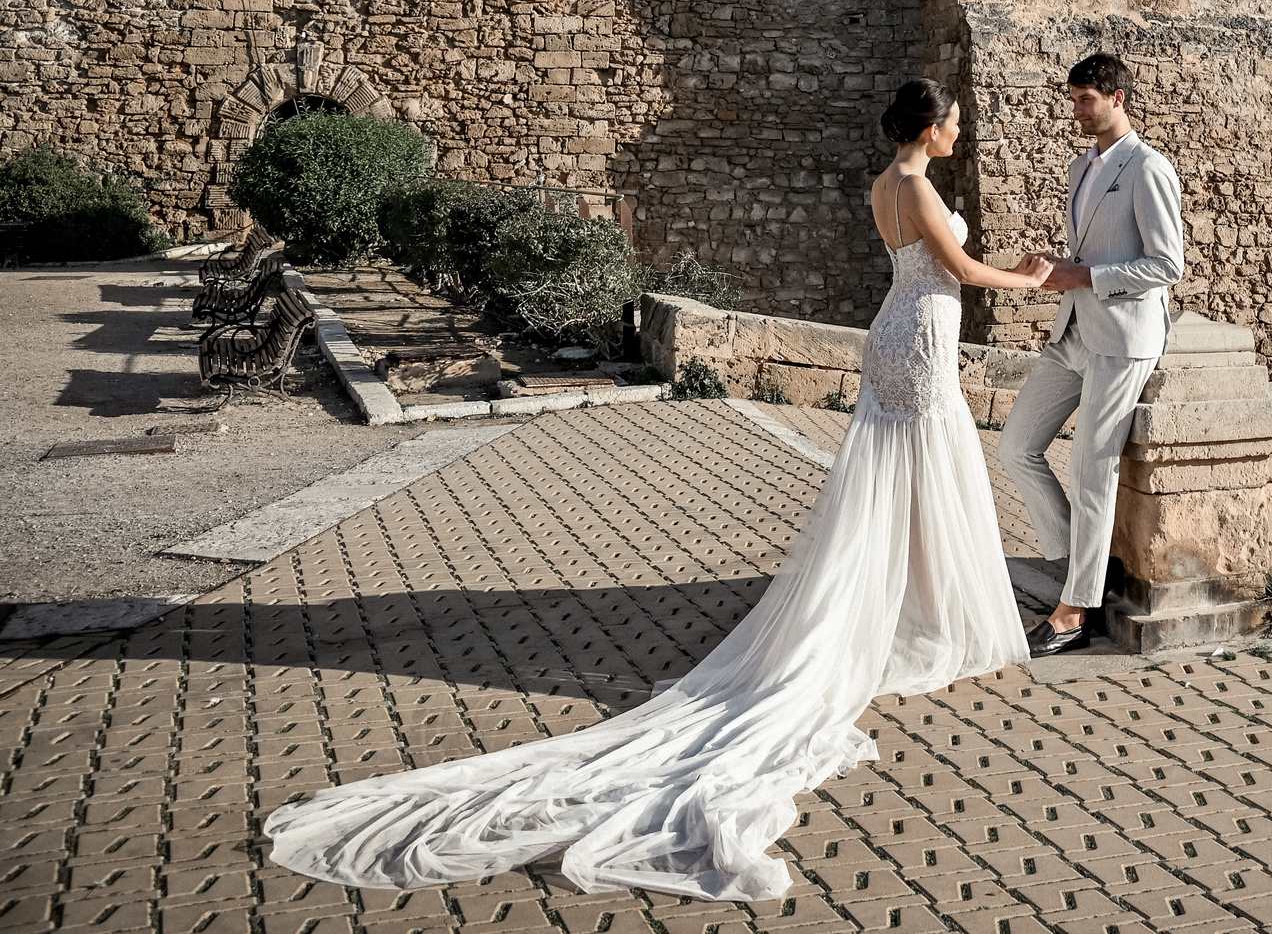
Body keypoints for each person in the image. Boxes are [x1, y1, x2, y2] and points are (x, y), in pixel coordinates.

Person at [263, 79, 1055, 902]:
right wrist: (1031, 278)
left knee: (899, 478)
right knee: (928, 471)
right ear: (929, 127)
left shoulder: (883, 184)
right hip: (921, 334)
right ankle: (933, 612)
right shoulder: (918, 186)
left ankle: (912, 606)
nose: (959, 132)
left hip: (893, 332)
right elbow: (961, 268)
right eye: (953, 122)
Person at [998, 54, 1186, 658]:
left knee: (1090, 469)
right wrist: (1057, 267)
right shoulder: (1082, 167)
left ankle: (1075, 610)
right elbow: (1091, 251)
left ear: (1117, 98)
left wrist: (1084, 275)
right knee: (1015, 446)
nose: (1076, 110)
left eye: (1086, 100)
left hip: (1124, 338)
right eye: (1074, 99)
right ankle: (1082, 565)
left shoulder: (1149, 168)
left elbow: (1167, 265)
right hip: (1073, 331)